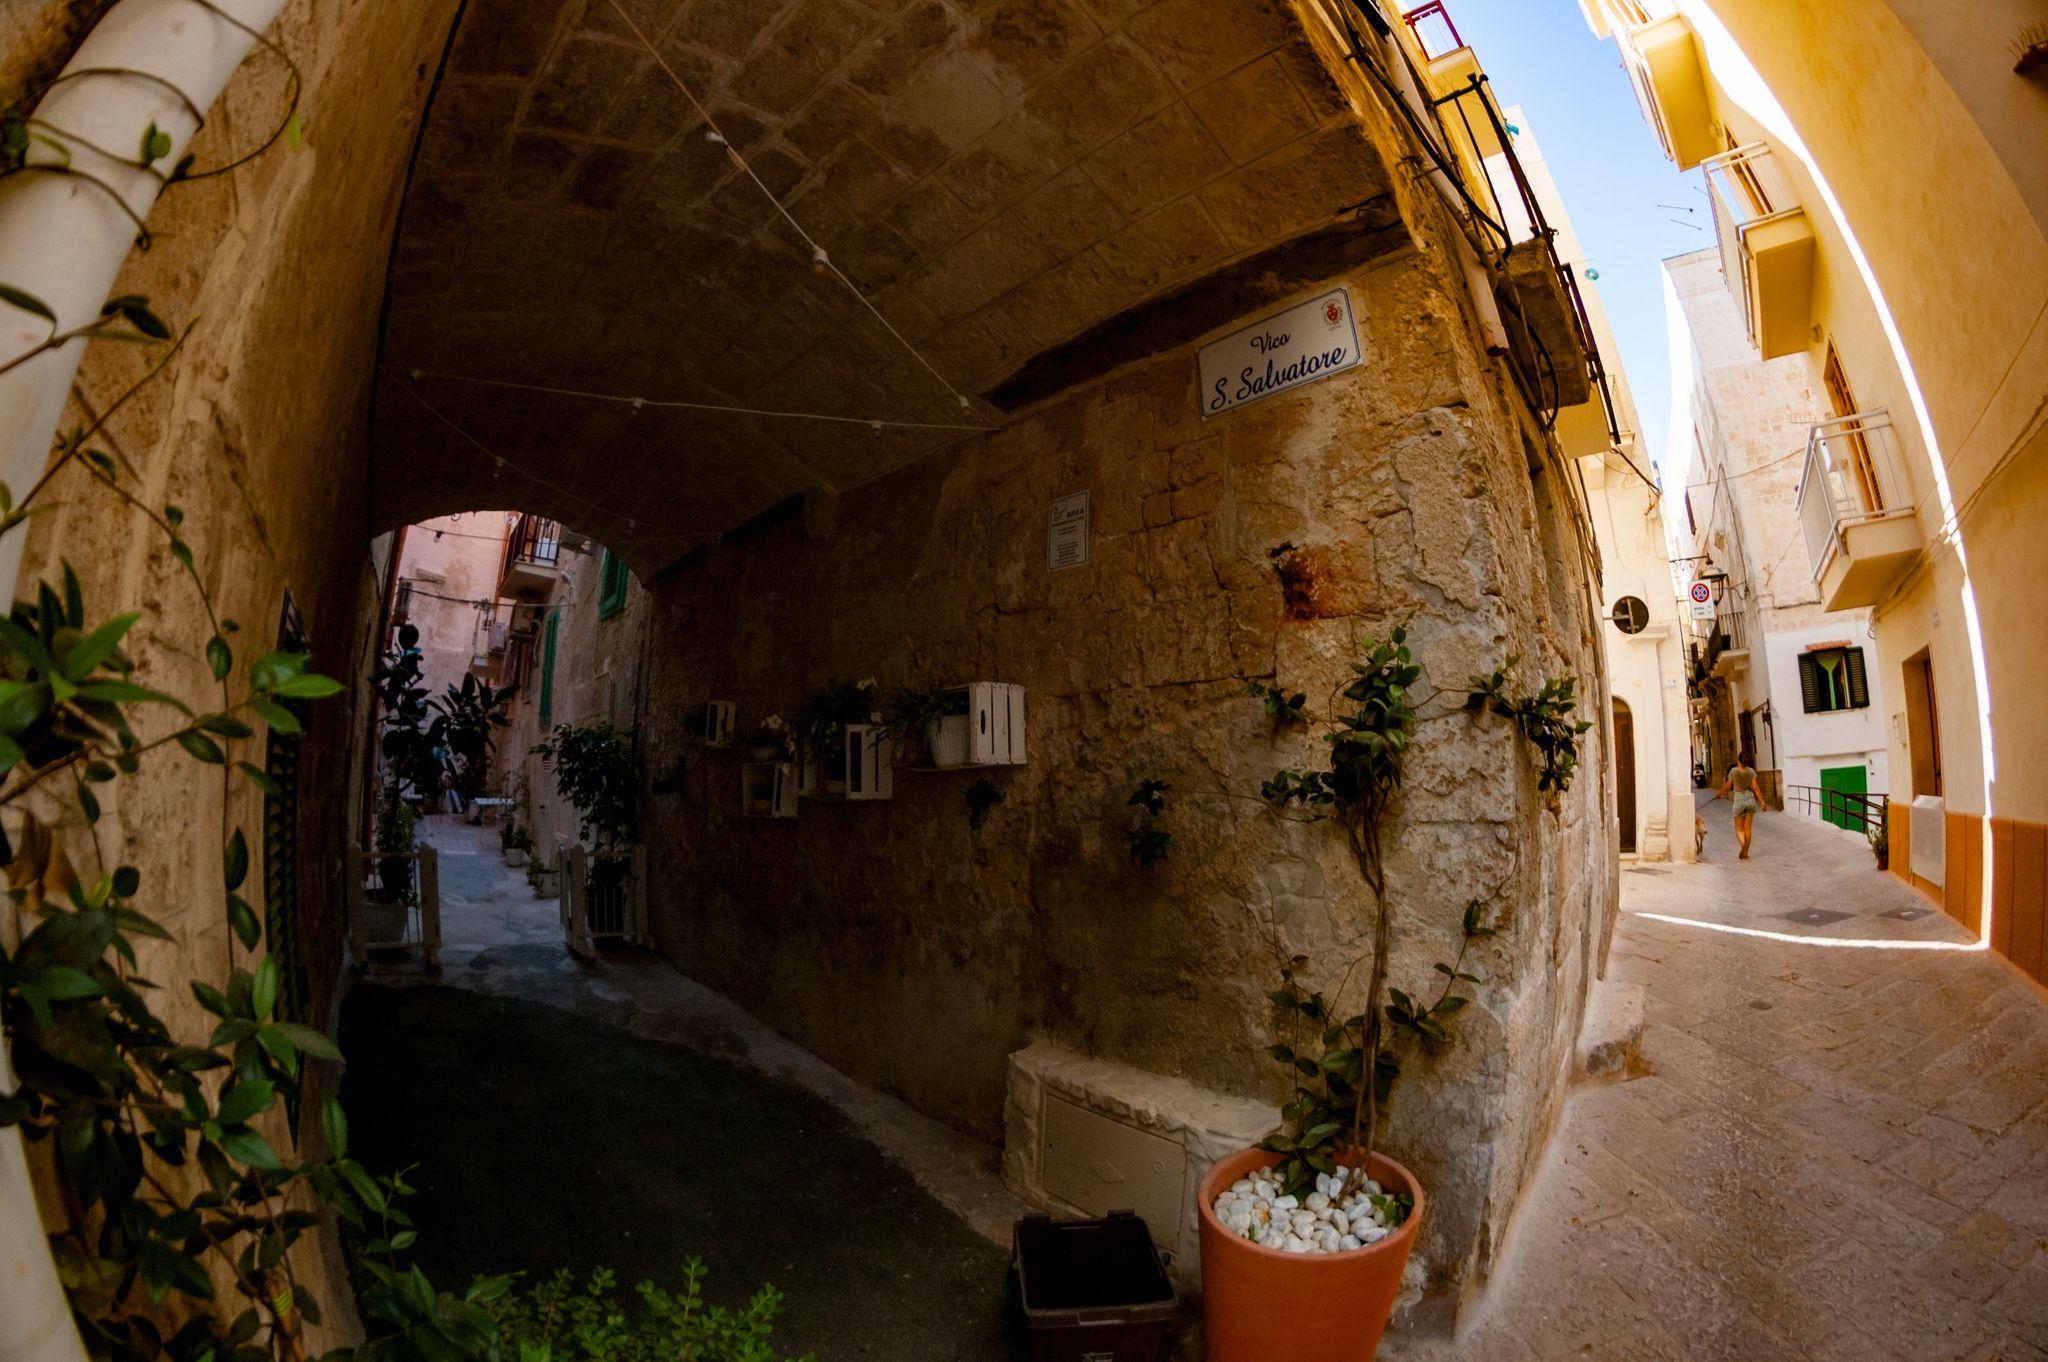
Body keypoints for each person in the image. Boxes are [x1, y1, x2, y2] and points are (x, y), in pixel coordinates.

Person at [1713, 750, 1763, 859]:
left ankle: (1744, 847)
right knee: (1748, 829)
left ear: (1739, 761)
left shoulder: (1733, 771)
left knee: (1739, 829)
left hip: (1739, 800)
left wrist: (1719, 794)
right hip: (1750, 799)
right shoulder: (1751, 772)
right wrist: (1762, 802)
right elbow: (1755, 788)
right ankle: (1746, 850)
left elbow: (1727, 786)